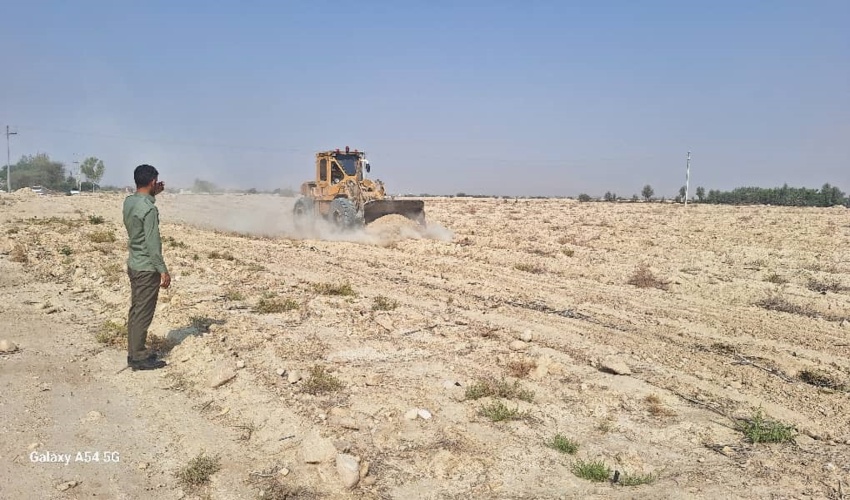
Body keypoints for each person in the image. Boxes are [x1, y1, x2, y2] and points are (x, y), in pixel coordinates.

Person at [122, 164, 170, 371]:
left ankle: (134, 352)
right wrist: (163, 270)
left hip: (134, 263)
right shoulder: (149, 209)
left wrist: (152, 195)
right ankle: (138, 357)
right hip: (146, 268)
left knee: (136, 310)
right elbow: (152, 243)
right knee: (143, 313)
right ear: (152, 182)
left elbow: (141, 204)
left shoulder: (130, 201)